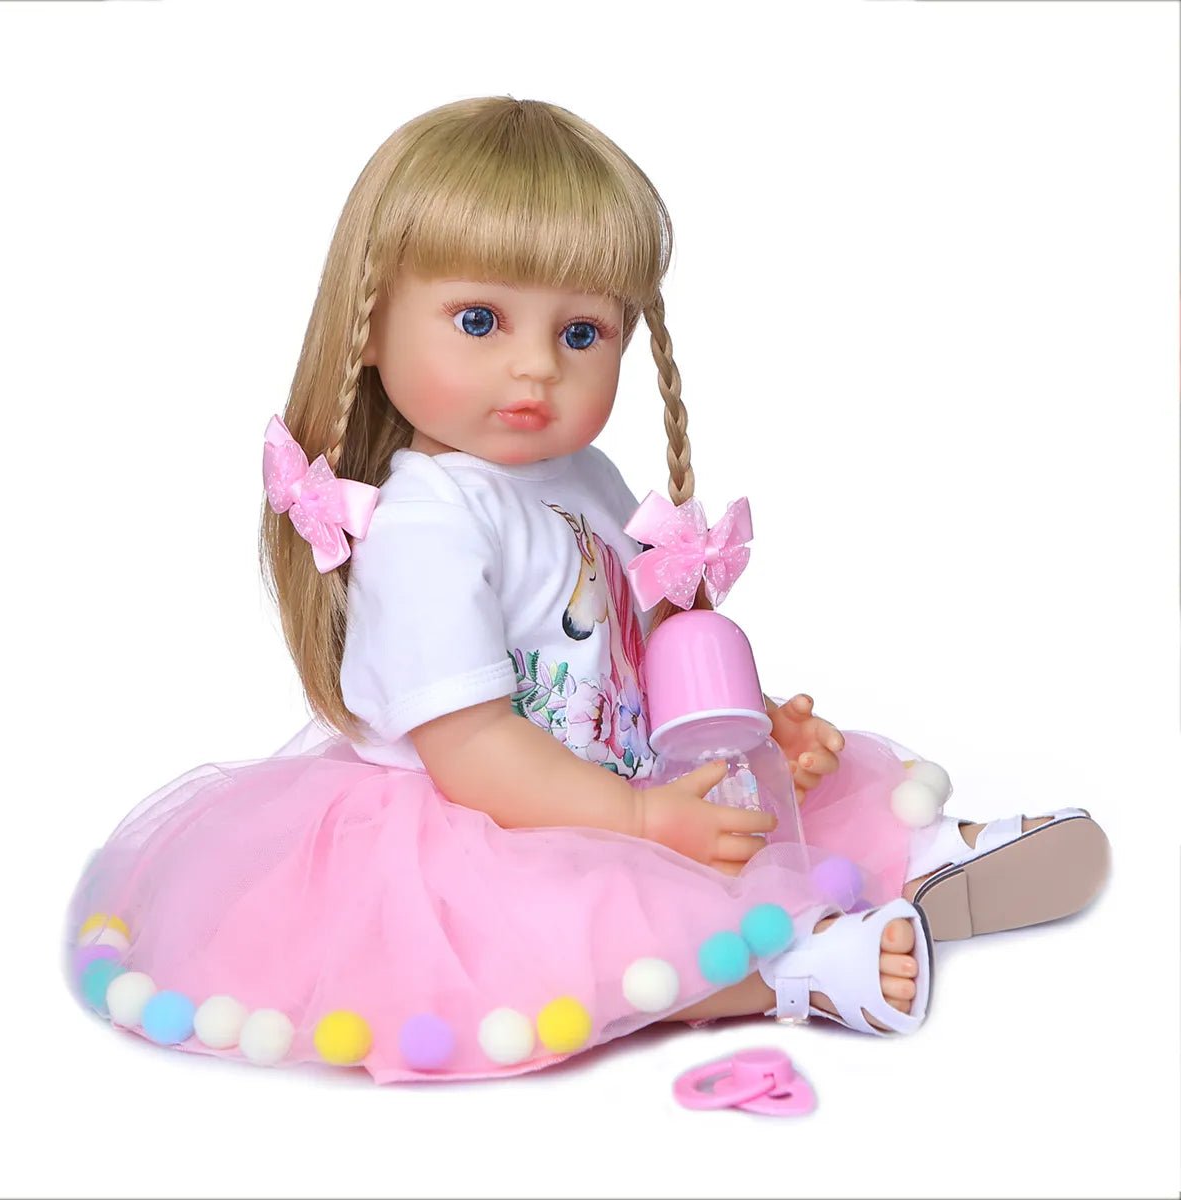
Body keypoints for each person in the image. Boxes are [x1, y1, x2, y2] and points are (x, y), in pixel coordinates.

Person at [65, 96, 1109, 1082]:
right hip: (496, 814)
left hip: (619, 773)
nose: (537, 369)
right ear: (371, 328)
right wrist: (637, 820)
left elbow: (645, 648)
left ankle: (920, 857)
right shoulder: (427, 525)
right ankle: (786, 977)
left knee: (778, 804)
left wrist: (750, 727)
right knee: (573, 931)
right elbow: (474, 749)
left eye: (580, 334)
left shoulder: (585, 477)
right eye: (481, 320)